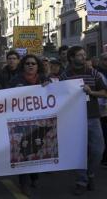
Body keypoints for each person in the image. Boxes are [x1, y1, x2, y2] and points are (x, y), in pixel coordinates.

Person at [59, 46, 107, 195]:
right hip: (74, 119)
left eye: (84, 54)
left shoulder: (94, 74)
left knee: (98, 149)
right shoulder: (65, 76)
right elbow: (58, 96)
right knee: (79, 151)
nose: (83, 57)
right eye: (80, 55)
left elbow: (105, 92)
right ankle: (81, 181)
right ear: (72, 58)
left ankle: (90, 173)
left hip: (92, 117)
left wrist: (91, 91)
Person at [8, 54, 51, 196]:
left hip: (40, 121)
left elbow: (57, 94)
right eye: (27, 63)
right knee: (24, 152)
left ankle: (34, 176)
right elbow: (5, 98)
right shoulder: (15, 80)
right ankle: (23, 183)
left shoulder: (45, 80)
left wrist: (50, 87)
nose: (31, 65)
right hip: (21, 122)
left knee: (37, 149)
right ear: (23, 66)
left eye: (33, 63)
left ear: (38, 66)